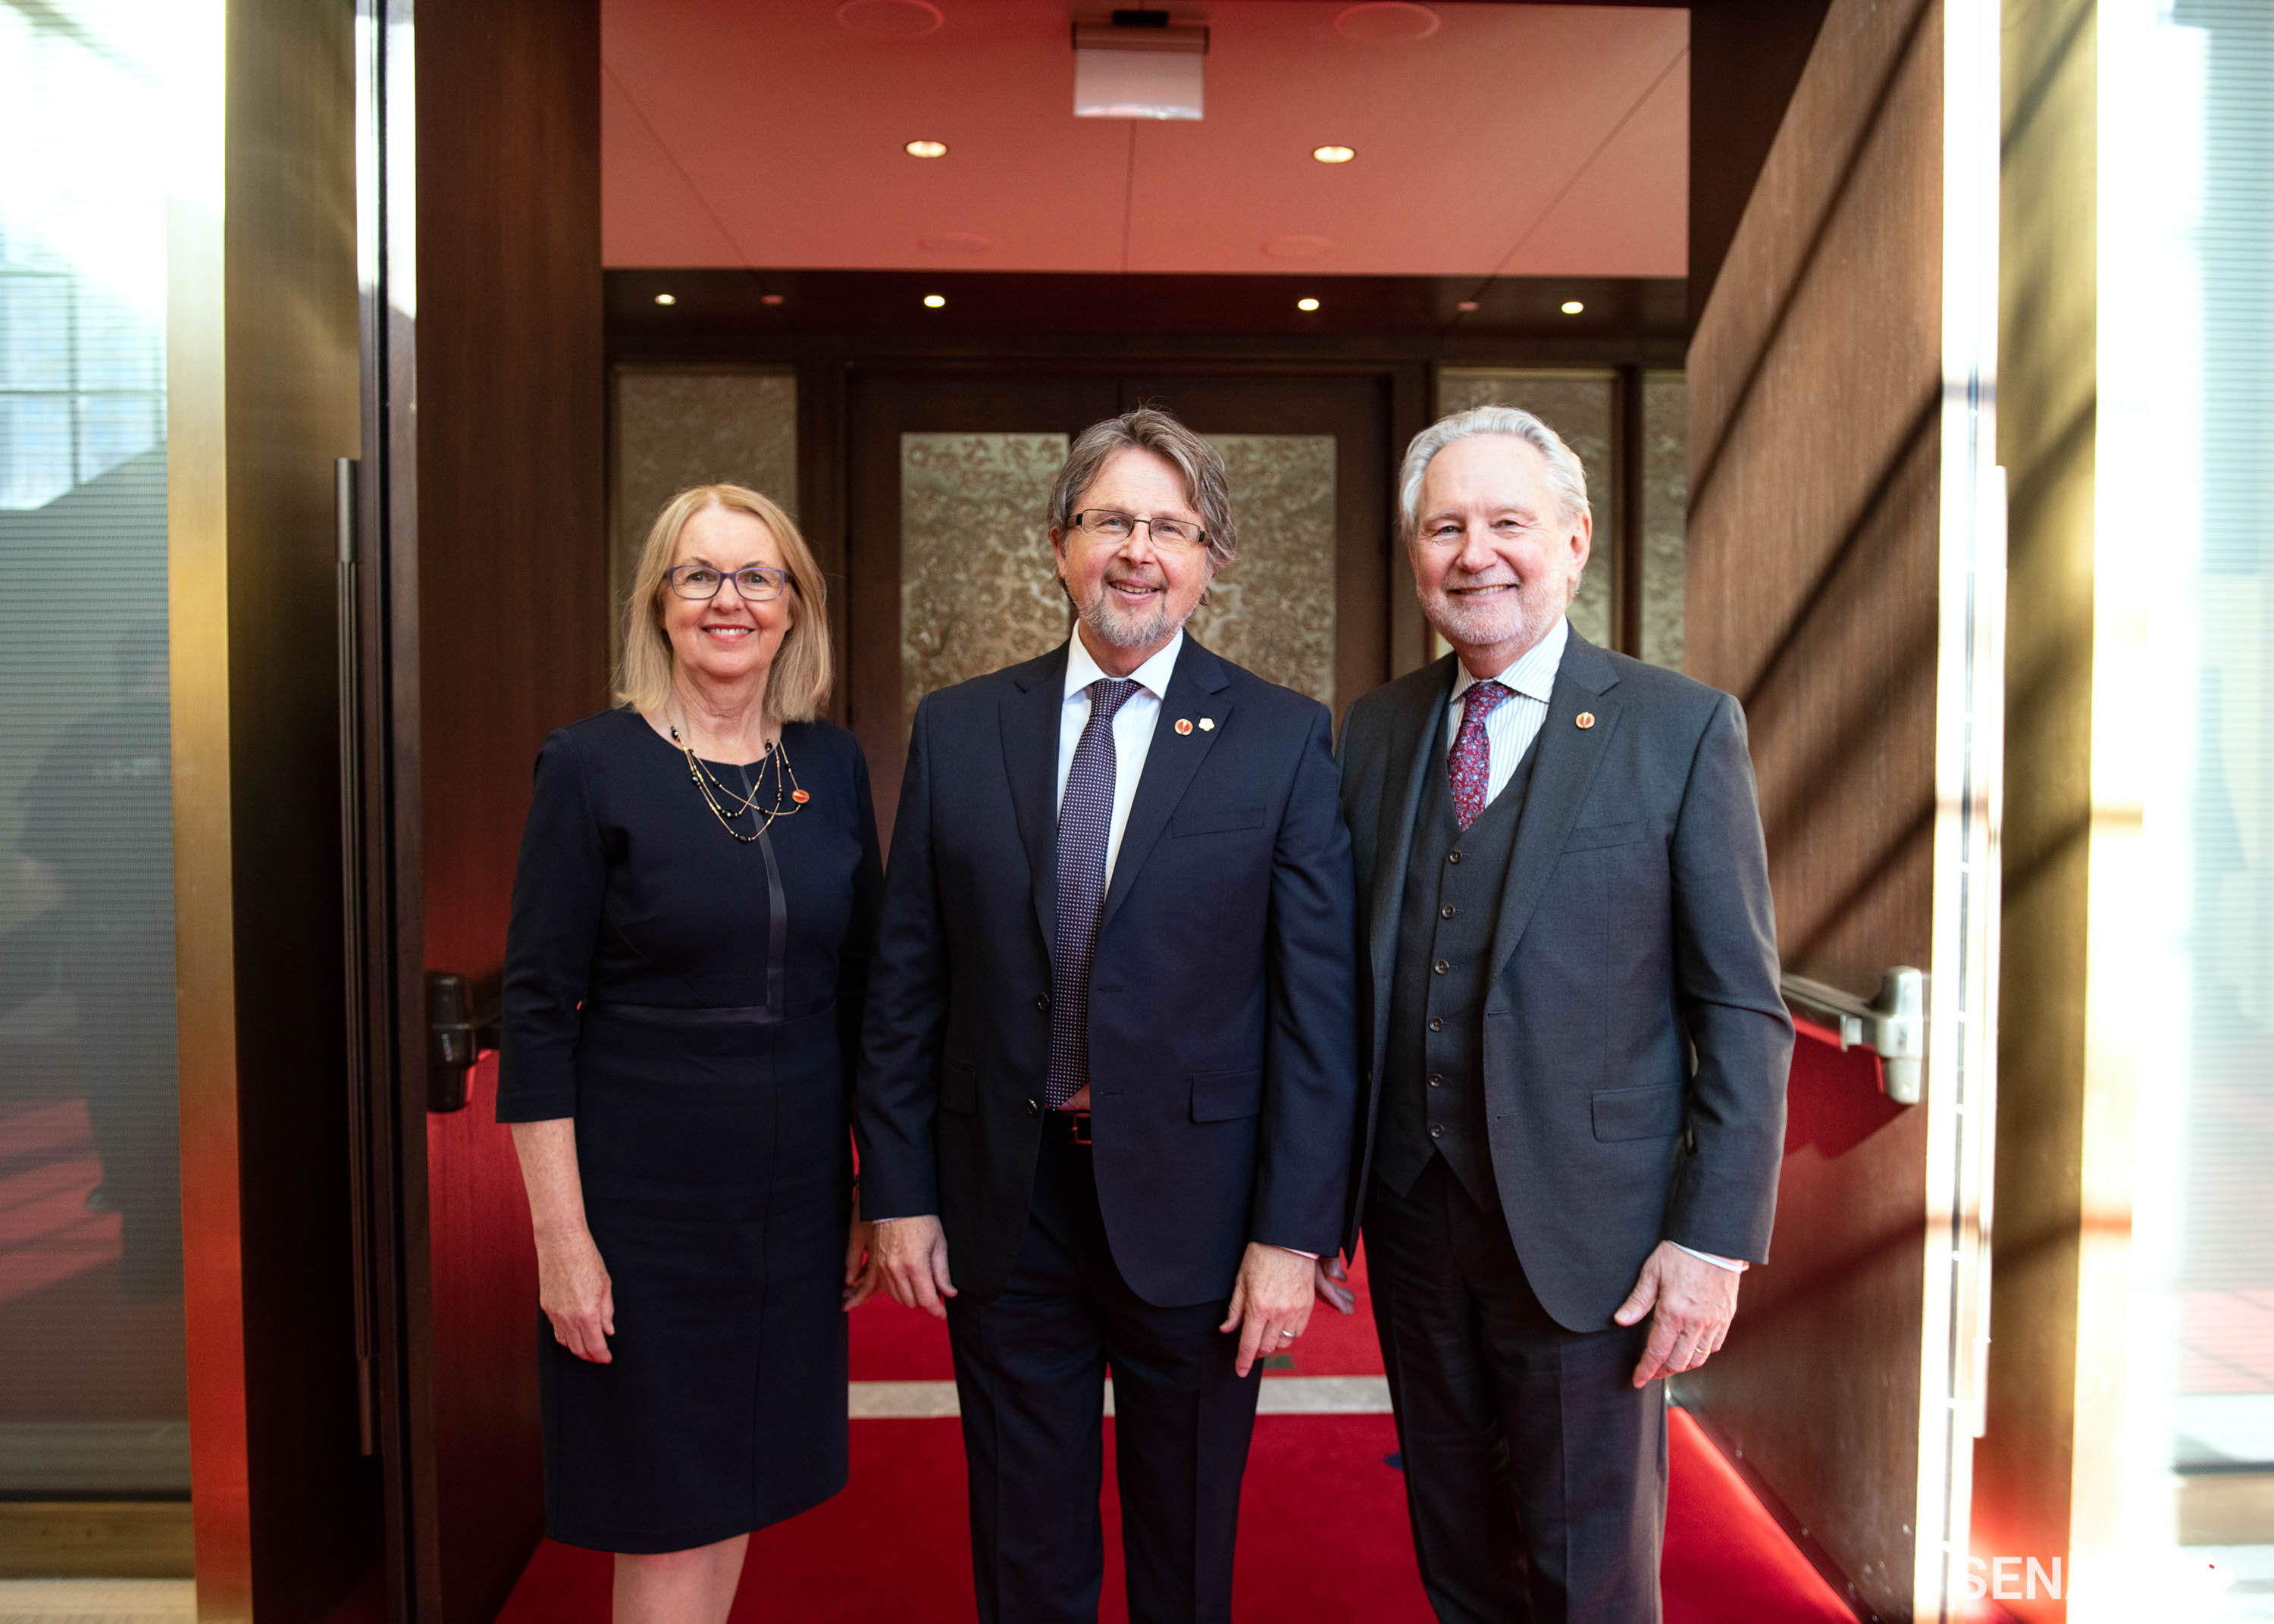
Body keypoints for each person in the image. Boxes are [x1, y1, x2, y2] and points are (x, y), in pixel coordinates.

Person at [857, 407, 1359, 1624]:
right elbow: (906, 981)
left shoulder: (1283, 739)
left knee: (1186, 1545)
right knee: (1023, 1540)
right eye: (1112, 520)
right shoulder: (960, 727)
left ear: (1210, 561)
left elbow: (1316, 1012)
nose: (1139, 550)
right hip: (1003, 1200)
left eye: (1171, 528)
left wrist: (1293, 1235)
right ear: (1059, 542)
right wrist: (901, 1191)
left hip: (1200, 1209)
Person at [1333, 405, 1791, 1622]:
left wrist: (1713, 1242)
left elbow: (1741, 1006)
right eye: (1446, 528)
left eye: (1508, 523)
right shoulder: (1376, 731)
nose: (1475, 553)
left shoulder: (1680, 727)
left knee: (1591, 1572)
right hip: (1414, 1220)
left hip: (1597, 1242)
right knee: (1460, 1546)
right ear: (1418, 554)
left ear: (1575, 542)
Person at [498, 484, 883, 1624]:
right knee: (662, 1513)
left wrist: (875, 1188)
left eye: (757, 577)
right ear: (658, 603)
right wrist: (561, 1241)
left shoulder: (833, 765)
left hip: (793, 1204)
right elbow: (534, 1012)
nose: (730, 600)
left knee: (732, 1497)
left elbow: (864, 993)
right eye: (699, 575)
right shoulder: (589, 765)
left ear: (793, 606)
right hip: (645, 1212)